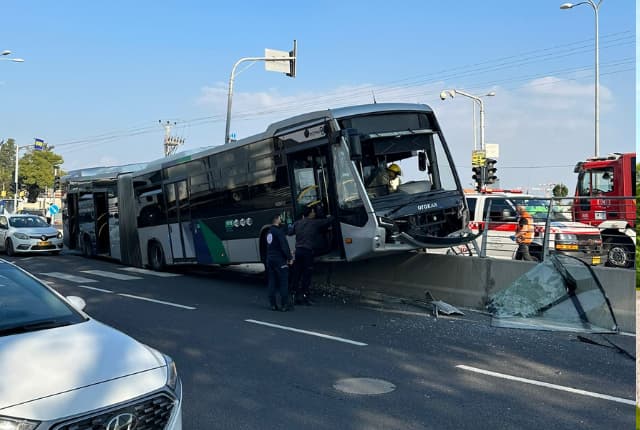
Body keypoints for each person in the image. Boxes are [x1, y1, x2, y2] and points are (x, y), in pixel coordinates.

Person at [289, 205, 333, 305]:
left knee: (297, 274)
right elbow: (327, 221)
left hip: (298, 251)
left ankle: (294, 295)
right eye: (313, 212)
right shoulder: (314, 223)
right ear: (310, 213)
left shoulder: (297, 223)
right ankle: (305, 296)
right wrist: (330, 216)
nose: (314, 213)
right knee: (306, 275)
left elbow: (290, 232)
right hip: (307, 252)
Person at [266, 214, 293, 311]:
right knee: (283, 282)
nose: (281, 219)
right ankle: (284, 305)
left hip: (270, 260)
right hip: (280, 260)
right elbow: (284, 246)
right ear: (276, 219)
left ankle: (273, 304)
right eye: (280, 218)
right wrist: (289, 258)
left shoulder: (268, 232)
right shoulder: (279, 232)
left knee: (272, 282)